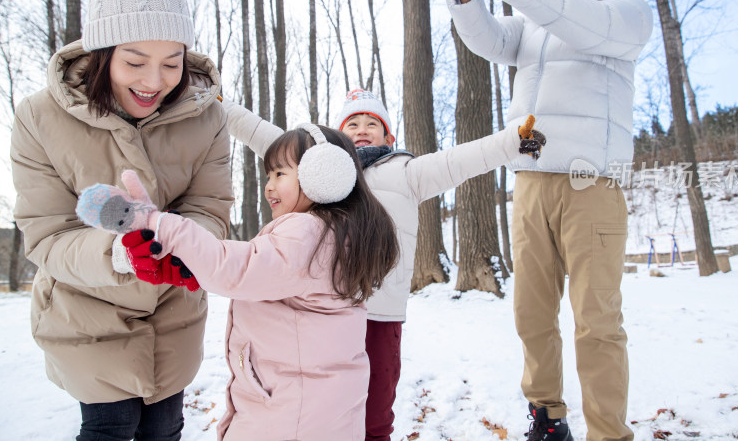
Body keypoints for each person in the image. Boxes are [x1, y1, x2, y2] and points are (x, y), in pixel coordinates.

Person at [10, 0, 233, 441]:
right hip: (85, 316)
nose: (154, 81)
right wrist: (116, 253)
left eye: (171, 62)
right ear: (102, 53)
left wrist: (183, 244)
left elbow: (210, 204)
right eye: (135, 62)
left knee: (164, 428)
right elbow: (47, 233)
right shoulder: (39, 118)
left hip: (174, 315)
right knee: (110, 428)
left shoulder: (207, 117)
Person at [223, 88, 545, 441]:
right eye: (353, 123)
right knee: (323, 412)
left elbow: (460, 160)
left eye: (372, 123)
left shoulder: (407, 172)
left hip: (380, 315)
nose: (362, 128)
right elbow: (263, 134)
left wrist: (512, 141)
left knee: (375, 414)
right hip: (327, 315)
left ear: (388, 135)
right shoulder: (322, 173)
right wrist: (223, 107)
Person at [444, 0, 653, 441]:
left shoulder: (623, 14)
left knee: (596, 321)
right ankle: (547, 414)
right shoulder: (533, 26)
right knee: (531, 312)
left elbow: (578, 23)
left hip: (591, 189)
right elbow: (488, 40)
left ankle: (607, 431)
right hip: (532, 183)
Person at [76, 124, 401, 441]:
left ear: (322, 175)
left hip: (290, 411)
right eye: (267, 175)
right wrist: (190, 264)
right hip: (317, 406)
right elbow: (260, 274)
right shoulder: (339, 235)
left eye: (280, 173)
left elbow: (234, 270)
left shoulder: (307, 233)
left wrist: (158, 223)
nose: (269, 186)